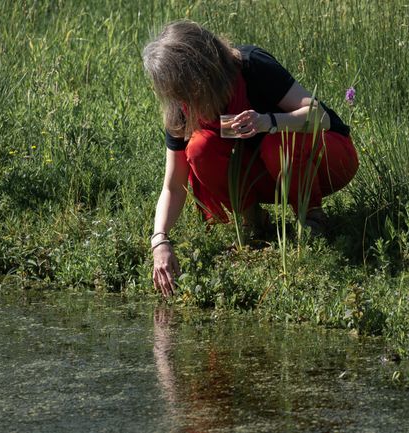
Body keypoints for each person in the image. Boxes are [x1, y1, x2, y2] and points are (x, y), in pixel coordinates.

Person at [143, 20, 358, 297]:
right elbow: (172, 186)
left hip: (328, 158)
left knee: (275, 143)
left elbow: (320, 117)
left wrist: (267, 121)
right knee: (199, 148)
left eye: (185, 89)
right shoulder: (182, 105)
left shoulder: (251, 66)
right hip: (270, 176)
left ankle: (313, 220)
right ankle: (255, 221)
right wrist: (159, 240)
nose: (184, 100)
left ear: (205, 70)